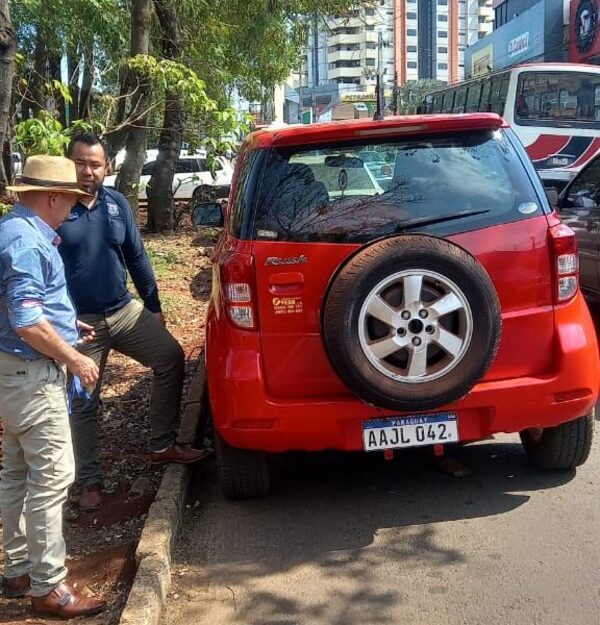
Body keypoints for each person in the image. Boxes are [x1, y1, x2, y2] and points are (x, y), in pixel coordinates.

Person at [59, 133, 206, 513]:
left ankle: (162, 445)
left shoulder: (116, 204)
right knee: (83, 399)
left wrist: (153, 305)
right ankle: (88, 479)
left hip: (123, 310)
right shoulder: (56, 206)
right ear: (69, 162)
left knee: (170, 358)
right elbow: (42, 270)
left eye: (95, 164)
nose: (87, 170)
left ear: (107, 167)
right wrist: (61, 316)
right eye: (80, 162)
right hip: (80, 324)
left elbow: (137, 257)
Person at [0, 155, 106, 617]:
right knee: (52, 478)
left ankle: (18, 567)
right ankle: (48, 586)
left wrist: (65, 327)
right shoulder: (26, 242)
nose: (74, 209)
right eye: (70, 201)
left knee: (18, 471)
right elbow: (25, 319)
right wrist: (74, 357)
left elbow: (26, 306)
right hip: (31, 374)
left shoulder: (14, 230)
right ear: (51, 196)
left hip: (12, 372)